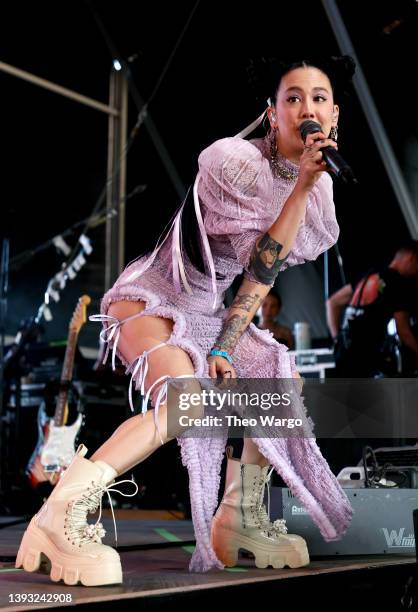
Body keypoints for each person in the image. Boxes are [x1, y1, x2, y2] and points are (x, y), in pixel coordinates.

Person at [15, 55, 355, 585]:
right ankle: (58, 514)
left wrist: (224, 347)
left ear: (334, 116)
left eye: (317, 99)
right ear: (272, 114)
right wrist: (303, 187)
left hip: (209, 309)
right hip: (154, 295)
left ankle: (239, 517)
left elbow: (258, 282)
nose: (305, 109)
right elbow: (263, 254)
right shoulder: (234, 160)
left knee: (281, 385)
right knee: (187, 405)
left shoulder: (317, 193)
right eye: (293, 98)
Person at [326, 241, 418, 377]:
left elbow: (332, 303)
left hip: (343, 353)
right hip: (364, 357)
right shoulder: (397, 283)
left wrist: (336, 338)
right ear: (412, 258)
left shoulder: (368, 275)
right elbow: (403, 332)